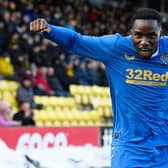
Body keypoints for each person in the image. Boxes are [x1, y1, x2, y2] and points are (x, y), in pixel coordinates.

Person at [30, 8, 168, 167]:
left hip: (164, 148)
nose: (144, 41)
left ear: (160, 33)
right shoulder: (115, 48)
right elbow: (76, 41)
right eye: (138, 35)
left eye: (151, 35)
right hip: (130, 149)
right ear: (131, 33)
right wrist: (50, 30)